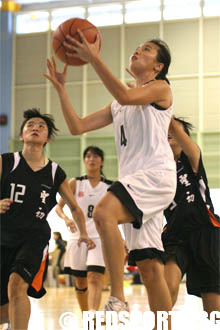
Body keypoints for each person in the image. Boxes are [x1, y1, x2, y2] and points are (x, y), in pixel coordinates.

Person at [44, 34, 177, 328]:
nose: (137, 51)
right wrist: (62, 90)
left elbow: (127, 95)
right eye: (137, 47)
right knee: (149, 267)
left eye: (146, 50)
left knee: (104, 212)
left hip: (155, 176)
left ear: (158, 67)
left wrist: (93, 58)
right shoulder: (118, 105)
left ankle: (117, 296)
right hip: (137, 182)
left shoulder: (160, 88)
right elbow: (77, 126)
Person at [0, 108, 95, 330]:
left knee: (17, 286)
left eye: (41, 126)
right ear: (22, 135)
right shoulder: (6, 162)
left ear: (47, 138)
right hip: (4, 235)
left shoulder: (54, 172)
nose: (35, 127)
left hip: (34, 237)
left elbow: (74, 207)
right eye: (30, 125)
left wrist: (83, 233)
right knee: (5, 303)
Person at [163, 116, 220, 314]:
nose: (169, 133)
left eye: (174, 131)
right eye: (165, 132)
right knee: (166, 288)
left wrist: (161, 108)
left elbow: (187, 143)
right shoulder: (157, 171)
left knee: (214, 310)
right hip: (175, 235)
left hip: (206, 231)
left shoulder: (193, 159)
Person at [55, 146, 113, 313]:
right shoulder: (75, 183)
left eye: (95, 156)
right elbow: (59, 208)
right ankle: (86, 314)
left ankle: (92, 316)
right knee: (80, 282)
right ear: (84, 161)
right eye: (87, 156)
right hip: (77, 237)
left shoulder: (109, 186)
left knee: (95, 278)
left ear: (101, 161)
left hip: (99, 238)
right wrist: (66, 219)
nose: (91, 159)